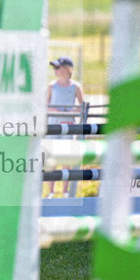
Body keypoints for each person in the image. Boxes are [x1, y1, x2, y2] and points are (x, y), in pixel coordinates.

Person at [45, 56, 85, 197]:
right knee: (52, 157)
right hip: (54, 125)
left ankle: (65, 191)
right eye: (54, 68)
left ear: (67, 69)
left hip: (68, 125)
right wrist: (54, 110)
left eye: (58, 67)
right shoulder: (52, 86)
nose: (55, 70)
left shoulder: (75, 87)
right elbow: (45, 105)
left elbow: (82, 106)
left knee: (66, 157)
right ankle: (51, 191)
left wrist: (74, 110)